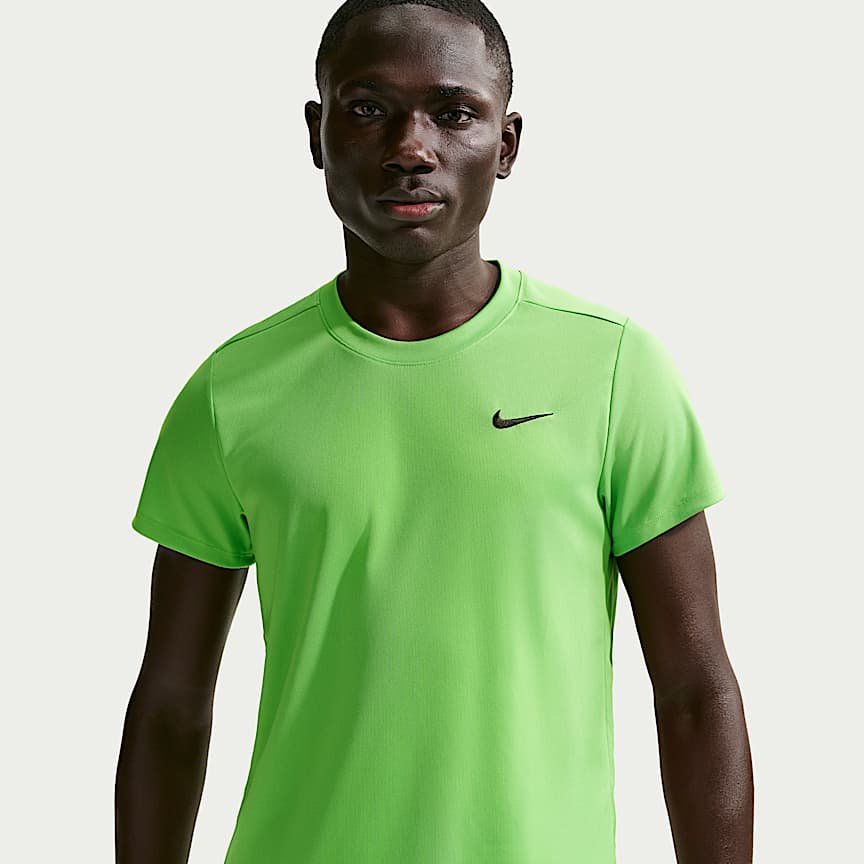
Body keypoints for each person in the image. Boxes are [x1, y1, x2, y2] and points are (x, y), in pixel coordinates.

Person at [115, 1, 754, 862]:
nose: (410, 148)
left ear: (508, 143)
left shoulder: (612, 370)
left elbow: (695, 693)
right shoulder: (232, 392)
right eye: (368, 108)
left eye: (453, 113)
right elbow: (169, 706)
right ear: (316, 134)